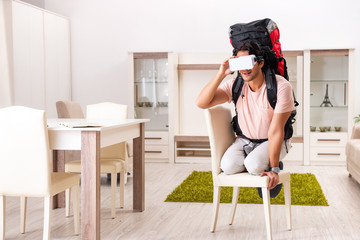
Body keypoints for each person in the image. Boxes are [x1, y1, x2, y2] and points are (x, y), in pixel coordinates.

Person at [196, 41, 295, 197]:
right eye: (240, 63)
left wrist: (274, 168)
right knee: (227, 167)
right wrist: (221, 73)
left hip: (272, 140)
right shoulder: (235, 85)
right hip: (245, 141)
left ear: (260, 62)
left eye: (248, 62)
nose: (244, 68)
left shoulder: (281, 86)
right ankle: (256, 163)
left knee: (254, 165)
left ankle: (264, 164)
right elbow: (201, 103)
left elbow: (276, 131)